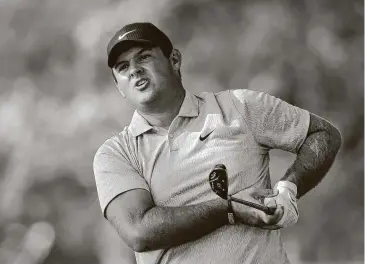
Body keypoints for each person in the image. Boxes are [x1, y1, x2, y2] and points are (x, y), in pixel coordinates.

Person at [93, 22, 342, 264]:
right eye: (123, 67)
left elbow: (323, 134)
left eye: (144, 57)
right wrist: (229, 210)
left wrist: (289, 190)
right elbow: (139, 231)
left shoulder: (239, 107)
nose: (134, 70)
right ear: (119, 87)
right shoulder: (116, 154)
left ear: (175, 60)